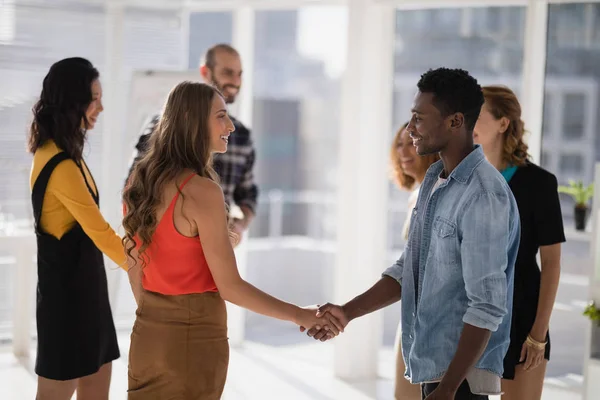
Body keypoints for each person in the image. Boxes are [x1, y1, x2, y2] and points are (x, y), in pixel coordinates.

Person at [307, 68, 521, 400]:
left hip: (459, 380)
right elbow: (409, 269)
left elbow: (487, 305)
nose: (410, 129)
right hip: (436, 370)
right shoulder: (436, 182)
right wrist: (347, 312)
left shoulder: (483, 195)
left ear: (454, 122)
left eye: (419, 119)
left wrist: (448, 389)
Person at [122, 81, 342, 399]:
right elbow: (230, 287)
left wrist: (159, 314)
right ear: (191, 120)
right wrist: (301, 315)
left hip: (147, 336)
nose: (230, 125)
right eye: (221, 116)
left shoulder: (139, 182)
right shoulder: (201, 191)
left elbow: (133, 266)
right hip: (192, 343)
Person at [28, 57, 126, 400]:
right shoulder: (59, 163)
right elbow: (100, 232)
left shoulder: (67, 153)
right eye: (94, 98)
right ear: (74, 101)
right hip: (67, 302)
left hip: (88, 292)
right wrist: (145, 266)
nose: (101, 106)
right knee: (55, 392)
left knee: (99, 381)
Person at [474, 85, 565, 400]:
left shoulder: (539, 183)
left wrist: (538, 334)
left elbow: (551, 264)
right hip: (469, 313)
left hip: (523, 314)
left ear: (503, 123)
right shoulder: (463, 179)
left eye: (478, 114)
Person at [126, 43, 257, 242]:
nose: (236, 81)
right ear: (206, 72)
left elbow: (248, 195)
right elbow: (133, 189)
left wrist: (239, 226)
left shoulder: (242, 136)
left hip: (217, 247)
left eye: (240, 74)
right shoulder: (162, 126)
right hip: (167, 247)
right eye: (228, 73)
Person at [390, 123, 439, 399]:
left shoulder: (436, 192)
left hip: (433, 321)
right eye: (399, 144)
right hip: (412, 315)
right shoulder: (415, 195)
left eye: (411, 143)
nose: (403, 151)